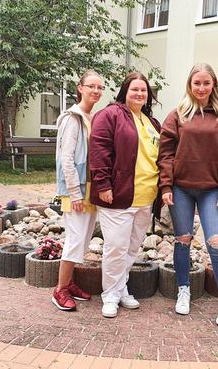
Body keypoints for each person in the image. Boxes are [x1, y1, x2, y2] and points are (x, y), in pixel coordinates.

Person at [158, 63, 218, 327]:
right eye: (196, 83)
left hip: (211, 190)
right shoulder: (177, 115)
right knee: (182, 240)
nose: (201, 88)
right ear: (189, 85)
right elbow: (166, 153)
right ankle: (184, 289)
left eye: (206, 83)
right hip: (180, 188)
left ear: (213, 84)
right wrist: (166, 186)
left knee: (216, 242)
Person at [89, 72, 161, 318]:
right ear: (125, 92)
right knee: (115, 248)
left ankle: (121, 289)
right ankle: (109, 294)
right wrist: (103, 185)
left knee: (131, 248)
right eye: (134, 89)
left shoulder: (151, 122)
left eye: (143, 90)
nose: (139, 94)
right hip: (118, 196)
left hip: (145, 196)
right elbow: (99, 152)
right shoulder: (109, 115)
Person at [52, 70, 104, 311]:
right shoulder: (73, 119)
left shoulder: (91, 117)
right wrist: (74, 193)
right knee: (74, 240)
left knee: (83, 241)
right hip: (76, 190)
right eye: (91, 86)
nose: (96, 91)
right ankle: (60, 290)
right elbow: (67, 159)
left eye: (100, 87)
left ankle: (69, 282)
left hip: (91, 187)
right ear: (80, 88)